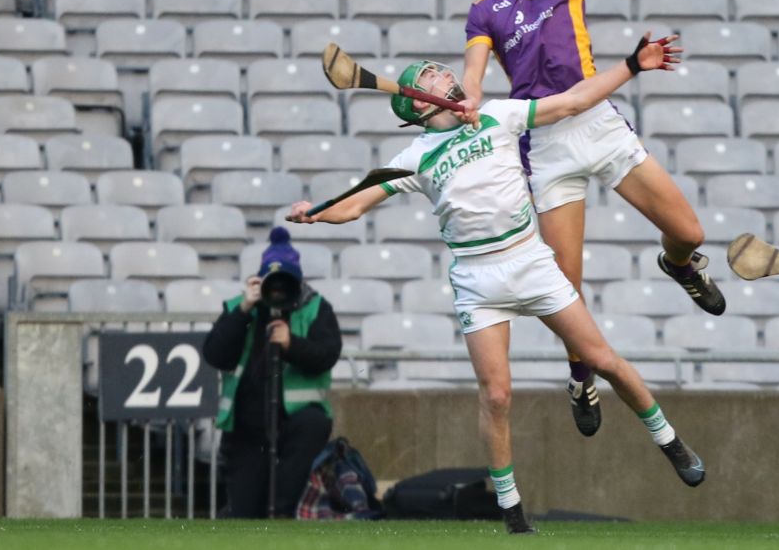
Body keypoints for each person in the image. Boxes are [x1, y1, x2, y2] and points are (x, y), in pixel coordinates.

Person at [288, 35, 705, 534]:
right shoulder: (414, 156)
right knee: (497, 395)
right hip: (477, 279)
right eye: (435, 76)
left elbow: (574, 101)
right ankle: (512, 510)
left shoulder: (499, 115)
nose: (450, 77)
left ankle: (669, 441)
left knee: (600, 359)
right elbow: (353, 204)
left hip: (531, 260)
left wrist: (633, 65)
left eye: (445, 71)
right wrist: (313, 214)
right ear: (419, 103)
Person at [460, 0, 723, 438]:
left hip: (596, 119)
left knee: (689, 232)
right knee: (566, 286)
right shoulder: (484, 10)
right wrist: (471, 95)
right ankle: (580, 374)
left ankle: (679, 266)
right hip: (546, 140)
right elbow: (475, 71)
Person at [202, 227, 342, 519]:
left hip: (296, 425)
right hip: (246, 428)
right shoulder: (240, 308)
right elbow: (215, 355)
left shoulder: (315, 308)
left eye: (285, 282)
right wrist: (243, 309)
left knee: (281, 507)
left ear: (299, 280)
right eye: (271, 281)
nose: (278, 289)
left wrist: (292, 344)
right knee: (243, 513)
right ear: (259, 279)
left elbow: (328, 354)